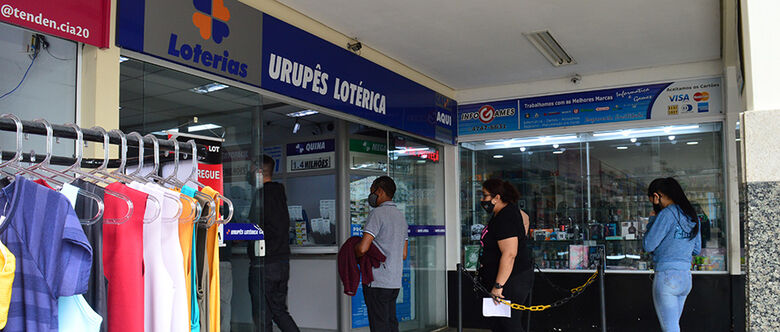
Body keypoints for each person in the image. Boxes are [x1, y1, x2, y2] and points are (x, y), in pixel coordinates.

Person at [247, 155, 300, 332]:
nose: (249, 173)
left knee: (262, 315)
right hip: (282, 262)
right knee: (278, 311)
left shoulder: (261, 196)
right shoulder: (279, 194)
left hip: (265, 263)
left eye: (252, 169)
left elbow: (255, 229)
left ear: (260, 172)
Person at [643, 177, 701, 332]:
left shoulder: (666, 215)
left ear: (657, 196)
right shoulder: (691, 215)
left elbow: (648, 245)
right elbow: (697, 249)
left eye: (653, 199)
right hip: (685, 278)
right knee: (673, 325)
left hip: (667, 277)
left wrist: (652, 220)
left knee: (670, 328)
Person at [477, 179, 533, 332]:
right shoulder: (508, 212)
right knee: (500, 325)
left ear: (497, 197)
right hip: (509, 278)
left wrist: (498, 287)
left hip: (510, 281)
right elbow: (525, 218)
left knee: (508, 324)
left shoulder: (504, 217)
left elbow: (509, 254)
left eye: (485, 195)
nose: (482, 200)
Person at [355, 176, 408, 332]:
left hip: (377, 281)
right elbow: (403, 254)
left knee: (379, 326)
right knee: (391, 323)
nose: (370, 195)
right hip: (394, 282)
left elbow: (363, 248)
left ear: (379, 191)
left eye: (372, 190)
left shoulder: (377, 214)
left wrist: (353, 249)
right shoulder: (400, 216)